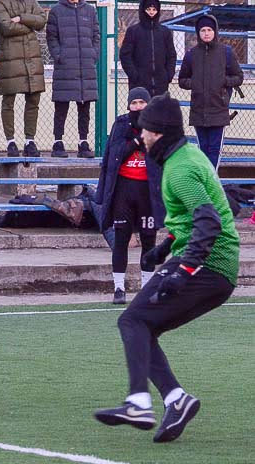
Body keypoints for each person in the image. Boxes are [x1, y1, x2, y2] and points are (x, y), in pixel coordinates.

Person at [94, 92, 239, 443]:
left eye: (145, 131)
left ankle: (138, 402)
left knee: (131, 320)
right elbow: (198, 220)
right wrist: (163, 249)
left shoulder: (180, 169)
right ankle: (176, 400)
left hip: (210, 266)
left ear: (158, 133)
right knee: (143, 328)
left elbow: (209, 224)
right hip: (213, 265)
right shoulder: (187, 156)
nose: (141, 136)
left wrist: (182, 271)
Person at [95, 87, 165, 305]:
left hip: (147, 193)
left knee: (148, 240)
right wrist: (136, 142)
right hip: (124, 191)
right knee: (121, 240)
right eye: (133, 103)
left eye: (141, 103)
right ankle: (118, 288)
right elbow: (114, 156)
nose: (137, 107)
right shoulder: (121, 124)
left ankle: (146, 287)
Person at [178, 15, 243, 169]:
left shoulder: (226, 52)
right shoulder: (191, 54)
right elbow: (182, 80)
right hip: (199, 109)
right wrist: (195, 83)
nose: (206, 33)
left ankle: (212, 181)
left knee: (215, 149)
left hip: (219, 109)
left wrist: (224, 81)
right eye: (203, 30)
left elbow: (238, 76)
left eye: (209, 30)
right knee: (203, 149)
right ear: (198, 33)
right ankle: (205, 180)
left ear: (215, 31)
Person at [0, 0, 46, 157]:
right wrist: (30, 26)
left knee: (33, 99)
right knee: (8, 101)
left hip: (32, 59)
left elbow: (42, 20)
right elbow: (6, 27)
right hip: (10, 59)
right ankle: (11, 142)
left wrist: (21, 18)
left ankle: (30, 141)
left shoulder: (31, 1)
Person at [46, 0, 99, 159]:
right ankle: (58, 142)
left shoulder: (90, 10)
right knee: (61, 106)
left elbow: (96, 35)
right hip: (65, 67)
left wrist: (92, 54)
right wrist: (59, 56)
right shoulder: (56, 10)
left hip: (86, 67)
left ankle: (83, 142)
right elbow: (51, 37)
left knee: (84, 106)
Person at [119, 0, 176, 97]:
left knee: (159, 110)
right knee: (141, 111)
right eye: (148, 9)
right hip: (138, 84)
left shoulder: (164, 32)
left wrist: (168, 75)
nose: (151, 12)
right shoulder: (133, 31)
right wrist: (134, 75)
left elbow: (171, 55)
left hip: (161, 84)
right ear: (143, 10)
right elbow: (125, 55)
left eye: (154, 9)